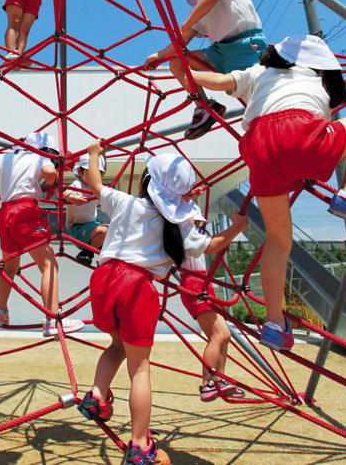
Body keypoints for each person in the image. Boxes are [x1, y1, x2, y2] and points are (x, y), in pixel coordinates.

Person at [189, 34, 346, 352]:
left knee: (277, 240)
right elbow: (320, 116)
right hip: (301, 133)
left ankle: (274, 321)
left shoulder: (257, 73)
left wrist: (179, 70)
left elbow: (219, 81)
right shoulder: (318, 78)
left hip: (258, 148)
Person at [77, 145, 204, 465]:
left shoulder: (126, 202)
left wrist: (94, 153)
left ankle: (96, 396)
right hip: (137, 287)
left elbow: (94, 182)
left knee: (116, 345)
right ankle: (140, 446)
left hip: (103, 279)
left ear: (147, 180)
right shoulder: (177, 223)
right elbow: (203, 241)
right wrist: (236, 226)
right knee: (140, 368)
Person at [144, 0, 268, 140]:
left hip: (245, 45)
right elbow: (183, 39)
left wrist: (187, 22)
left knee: (255, 96)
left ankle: (268, 127)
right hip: (220, 52)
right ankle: (204, 107)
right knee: (177, 62)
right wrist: (159, 55)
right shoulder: (198, 9)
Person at [0, 131, 85, 337]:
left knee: (9, 265)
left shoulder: (5, 156)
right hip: (26, 211)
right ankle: (52, 319)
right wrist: (50, 179)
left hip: (5, 213)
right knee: (49, 265)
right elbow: (50, 173)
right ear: (44, 150)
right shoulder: (39, 157)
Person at [176, 208, 250, 402]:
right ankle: (207, 382)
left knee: (225, 335)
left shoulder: (195, 236)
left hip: (203, 283)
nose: (200, 227)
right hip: (194, 284)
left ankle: (219, 379)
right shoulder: (184, 235)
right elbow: (185, 218)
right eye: (197, 223)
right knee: (217, 335)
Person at [63, 153, 108, 265]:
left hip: (91, 227)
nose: (94, 176)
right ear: (79, 171)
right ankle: (87, 252)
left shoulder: (94, 186)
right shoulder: (78, 185)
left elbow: (104, 169)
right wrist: (72, 197)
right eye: (90, 173)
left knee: (115, 232)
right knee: (107, 230)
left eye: (97, 173)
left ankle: (105, 262)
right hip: (77, 229)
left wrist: (103, 153)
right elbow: (64, 191)